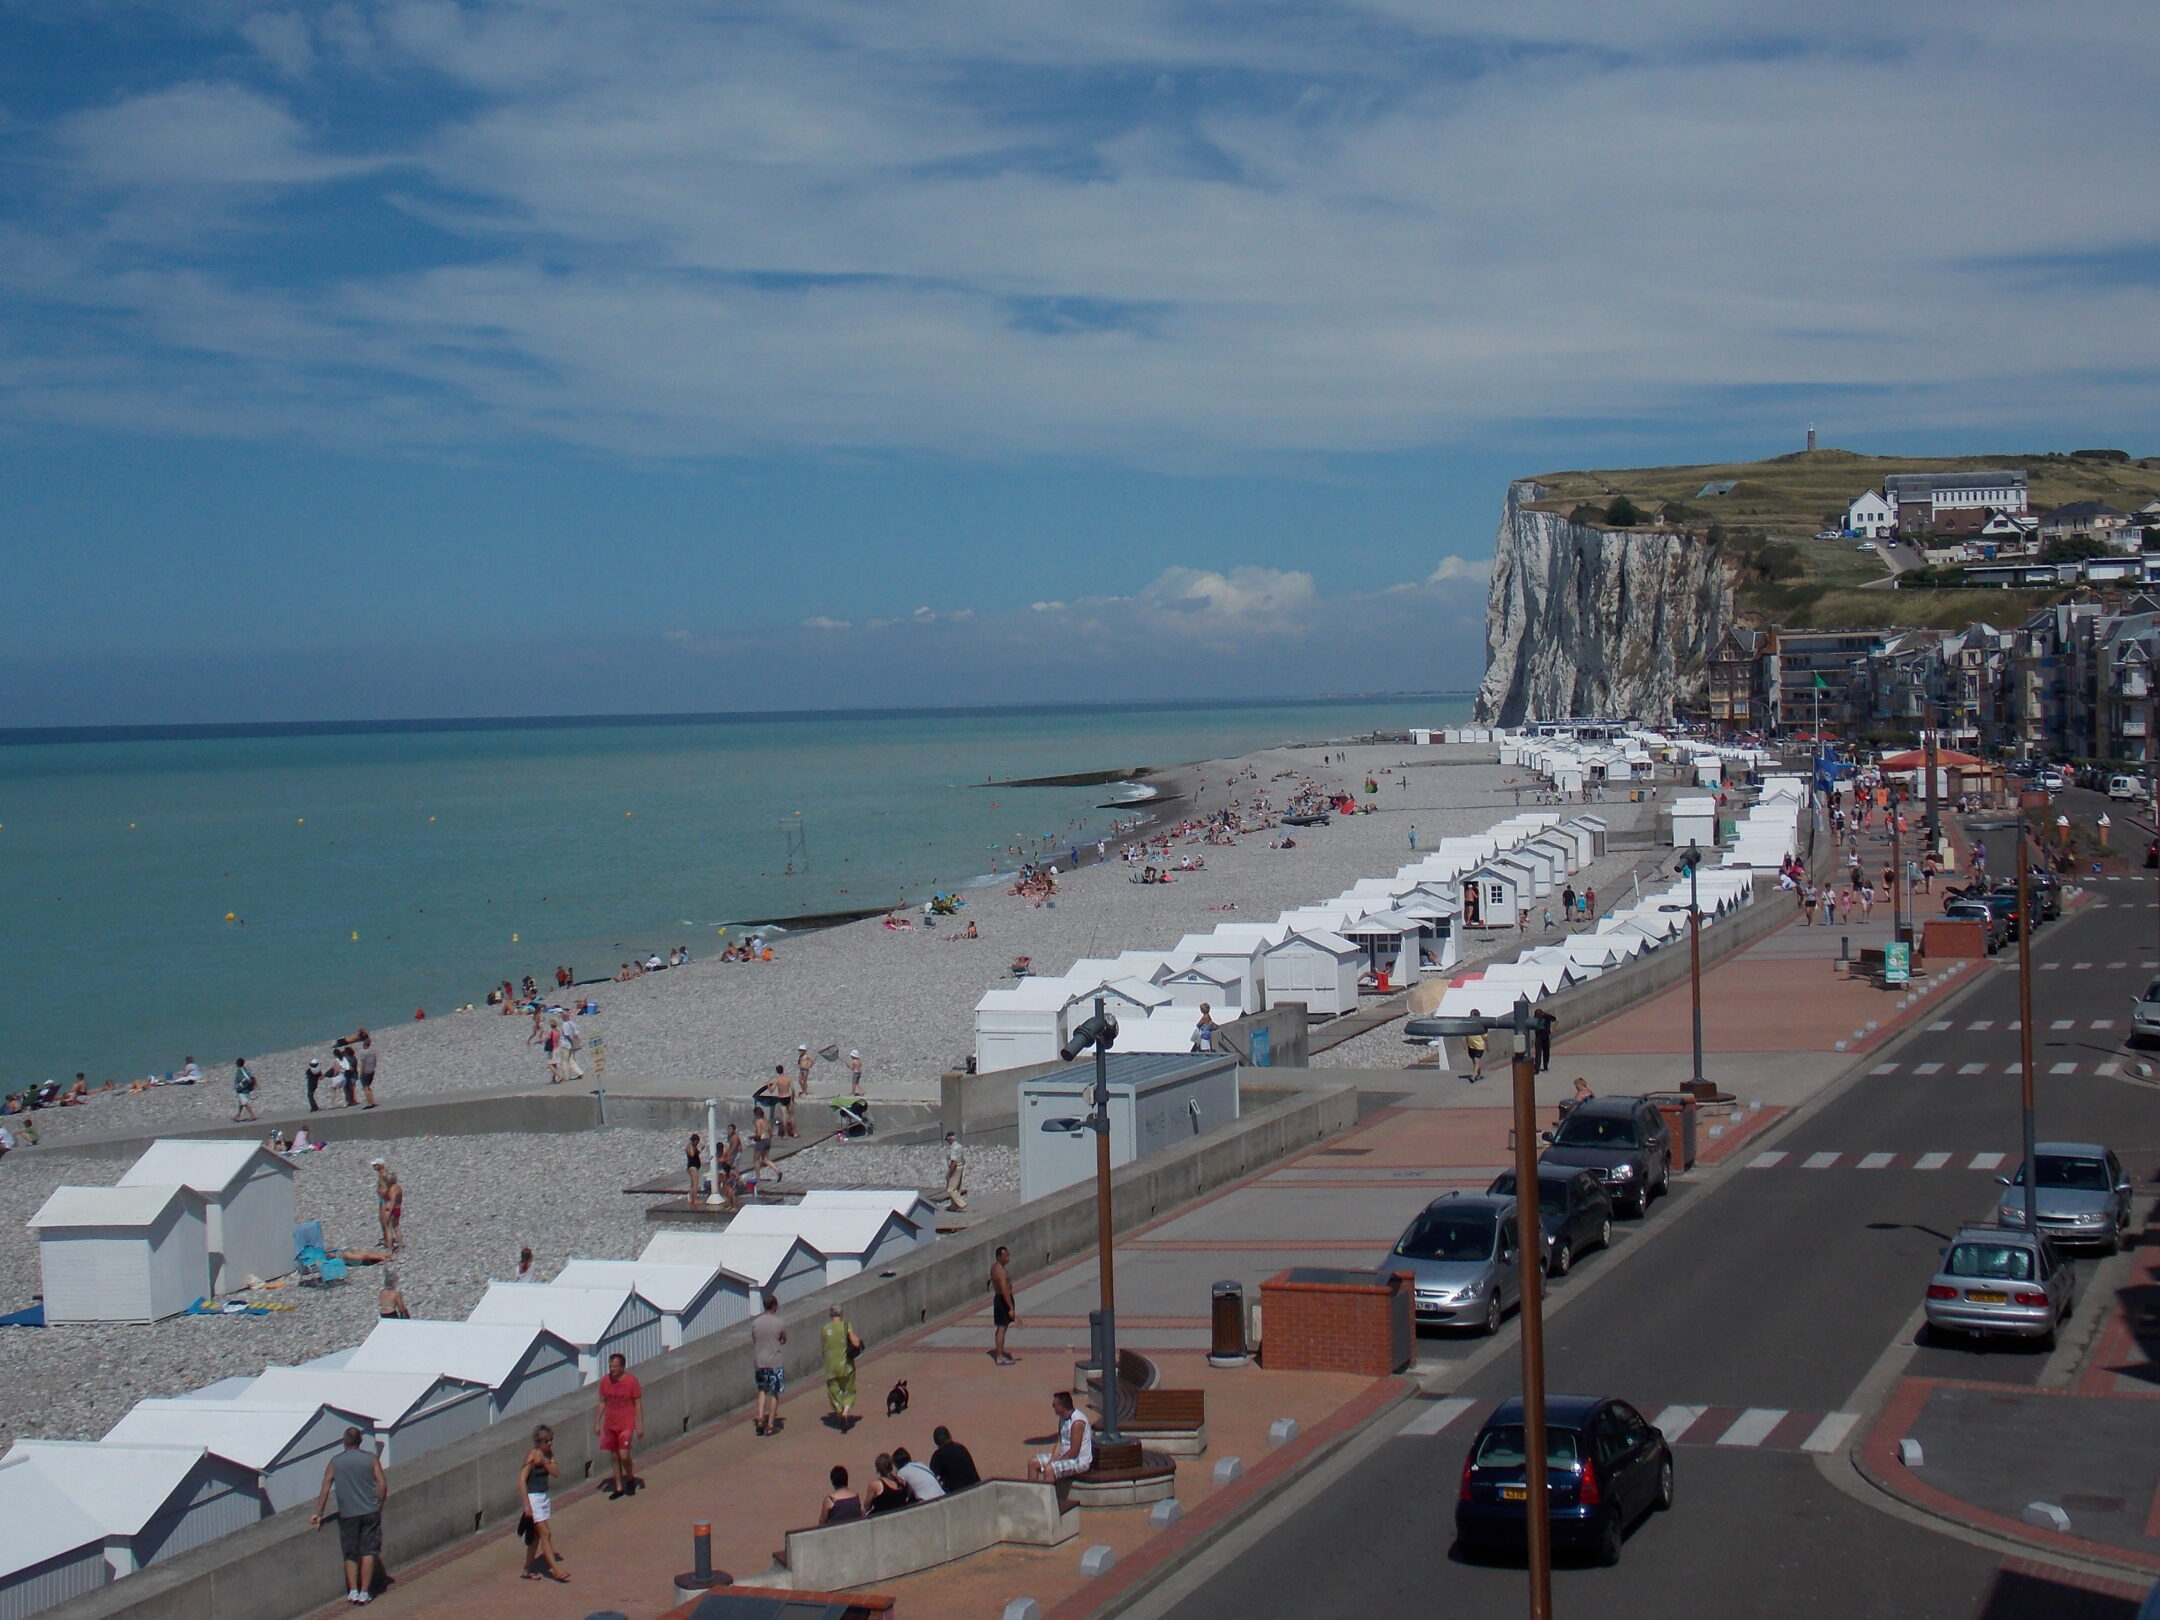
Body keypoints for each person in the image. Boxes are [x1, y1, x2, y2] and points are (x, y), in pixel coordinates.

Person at [310, 1427, 387, 1607]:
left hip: (348, 1514)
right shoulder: (371, 1459)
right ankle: (364, 1592)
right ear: (360, 1441)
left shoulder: (336, 1462)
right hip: (369, 1511)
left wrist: (318, 1513)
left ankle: (352, 1590)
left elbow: (325, 1488)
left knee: (350, 1552)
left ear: (344, 1442)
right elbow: (382, 1484)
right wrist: (379, 1504)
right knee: (368, 1551)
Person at [518, 1426, 569, 1583]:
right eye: (546, 1441)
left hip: (544, 1496)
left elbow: (556, 1473)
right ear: (538, 1442)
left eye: (551, 1440)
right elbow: (521, 1480)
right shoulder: (531, 1455)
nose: (550, 1444)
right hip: (534, 1498)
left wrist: (545, 1462)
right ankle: (556, 1571)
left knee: (536, 1536)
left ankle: (527, 1569)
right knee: (546, 1533)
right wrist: (527, 1505)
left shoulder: (548, 1455)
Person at [595, 1352, 643, 1499]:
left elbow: (637, 1404)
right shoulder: (605, 1381)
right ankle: (619, 1487)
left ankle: (629, 1477)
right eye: (610, 1366)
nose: (612, 1369)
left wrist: (639, 1424)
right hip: (610, 1423)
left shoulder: (631, 1382)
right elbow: (602, 1402)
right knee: (614, 1456)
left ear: (622, 1367)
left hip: (626, 1423)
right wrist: (597, 1422)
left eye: (615, 1366)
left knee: (624, 1454)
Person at [1029, 1390, 1093, 1482]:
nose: (1053, 1406)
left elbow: (1074, 1451)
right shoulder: (1062, 1418)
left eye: (1054, 1405)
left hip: (1080, 1461)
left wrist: (1055, 1463)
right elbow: (1060, 1442)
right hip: (1065, 1456)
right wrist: (1052, 1460)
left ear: (1062, 1407)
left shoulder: (1077, 1422)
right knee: (1033, 1463)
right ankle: (1033, 1493)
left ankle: (1048, 1495)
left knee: (1049, 1469)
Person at [821, 1304, 862, 1430]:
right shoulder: (846, 1326)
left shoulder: (824, 1329)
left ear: (830, 1315)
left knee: (834, 1392)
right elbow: (855, 1343)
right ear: (841, 1314)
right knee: (848, 1391)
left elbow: (823, 1347)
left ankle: (839, 1412)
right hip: (845, 1365)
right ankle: (845, 1413)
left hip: (830, 1366)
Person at [751, 1292, 787, 1436]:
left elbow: (754, 1338)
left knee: (762, 1390)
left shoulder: (756, 1323)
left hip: (760, 1361)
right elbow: (784, 1339)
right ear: (774, 1306)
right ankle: (770, 1425)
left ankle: (760, 1417)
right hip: (775, 1362)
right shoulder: (779, 1323)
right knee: (774, 1392)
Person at [989, 1245, 1018, 1365]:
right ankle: (999, 1356)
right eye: (1005, 1256)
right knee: (1002, 1328)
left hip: (999, 1299)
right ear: (999, 1257)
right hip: (1002, 1300)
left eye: (1008, 1255)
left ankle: (999, 1353)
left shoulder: (995, 1268)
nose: (1008, 1258)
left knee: (1001, 1328)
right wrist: (1010, 1307)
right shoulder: (1000, 1271)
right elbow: (1004, 1289)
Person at [930, 1425, 981, 1493]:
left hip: (957, 1495)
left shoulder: (937, 1456)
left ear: (936, 1442)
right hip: (977, 1488)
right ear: (950, 1436)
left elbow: (931, 1478)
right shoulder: (961, 1448)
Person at [372, 1160, 403, 1253]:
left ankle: (389, 1249)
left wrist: (388, 1213)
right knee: (396, 1228)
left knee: (388, 1228)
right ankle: (400, 1248)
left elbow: (392, 1201)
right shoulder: (398, 1187)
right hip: (397, 1208)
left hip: (390, 1209)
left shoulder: (392, 1189)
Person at [944, 1132, 969, 1212]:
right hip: (961, 1166)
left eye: (947, 1140)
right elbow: (963, 1159)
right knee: (956, 1188)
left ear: (950, 1138)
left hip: (955, 1168)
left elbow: (954, 1161)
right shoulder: (959, 1146)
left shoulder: (953, 1148)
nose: (947, 1142)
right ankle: (953, 1206)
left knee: (950, 1189)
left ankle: (961, 1204)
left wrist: (949, 1173)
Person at [232, 1057, 258, 1123]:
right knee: (241, 1103)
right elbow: (251, 1077)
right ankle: (238, 1116)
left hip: (242, 1090)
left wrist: (237, 1086)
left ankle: (252, 1115)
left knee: (245, 1103)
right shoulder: (245, 1069)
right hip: (246, 1089)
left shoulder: (239, 1071)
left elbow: (239, 1079)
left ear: (237, 1064)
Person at [356, 1034, 378, 1109]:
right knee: (368, 1087)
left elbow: (363, 1063)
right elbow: (375, 1061)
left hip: (365, 1071)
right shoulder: (372, 1052)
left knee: (365, 1087)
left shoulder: (363, 1052)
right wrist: (373, 1067)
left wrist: (361, 1072)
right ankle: (373, 1101)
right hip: (372, 1070)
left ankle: (369, 1103)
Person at [1464, 1011, 1487, 1083]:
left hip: (1479, 1046)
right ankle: (1478, 1073)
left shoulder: (1481, 1025)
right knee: (1474, 1061)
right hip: (1471, 1045)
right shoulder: (1469, 1024)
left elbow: (1485, 1037)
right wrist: (1466, 1044)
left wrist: (1488, 1046)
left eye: (1471, 1015)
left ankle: (1474, 1076)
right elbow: (1467, 1034)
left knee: (1477, 1061)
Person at [1531, 1010, 1555, 1074]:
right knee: (1538, 1053)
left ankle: (1545, 1067)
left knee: (1546, 1052)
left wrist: (1553, 1029)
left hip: (1546, 1036)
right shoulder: (1535, 1019)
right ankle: (1537, 1069)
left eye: (1539, 1016)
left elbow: (1555, 1019)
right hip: (1539, 1037)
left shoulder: (1547, 1016)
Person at [685, 1132, 705, 1201]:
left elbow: (696, 1154)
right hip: (692, 1167)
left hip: (695, 1166)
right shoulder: (689, 1147)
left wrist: (700, 1150)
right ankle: (695, 1199)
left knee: (692, 1183)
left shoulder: (694, 1147)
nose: (697, 1143)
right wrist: (691, 1145)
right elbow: (692, 1154)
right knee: (695, 1184)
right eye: (697, 1141)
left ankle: (691, 1199)